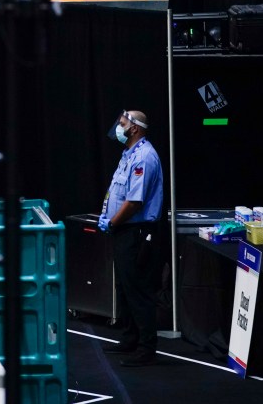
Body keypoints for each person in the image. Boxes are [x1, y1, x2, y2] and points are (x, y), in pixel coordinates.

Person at [98, 109, 164, 367]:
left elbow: (135, 202)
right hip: (123, 230)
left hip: (136, 231)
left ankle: (146, 347)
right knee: (125, 287)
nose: (119, 127)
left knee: (139, 289)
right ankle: (130, 338)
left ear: (134, 128)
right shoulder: (129, 154)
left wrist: (113, 222)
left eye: (123, 123)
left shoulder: (145, 157)